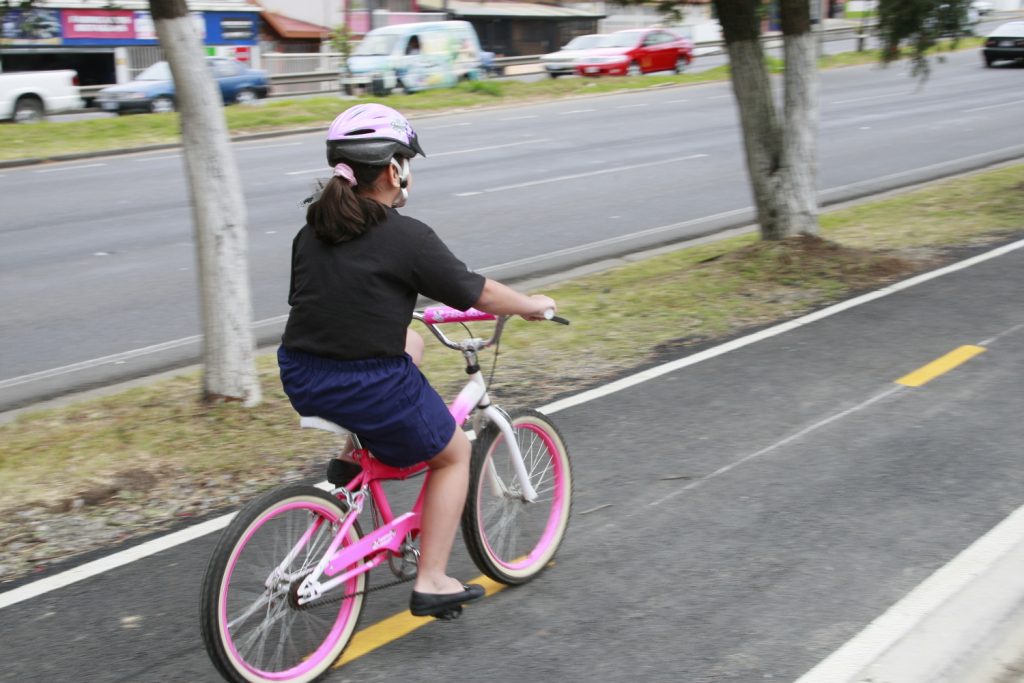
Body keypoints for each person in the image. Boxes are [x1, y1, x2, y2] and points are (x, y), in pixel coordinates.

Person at [277, 103, 556, 618]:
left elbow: (325, 300)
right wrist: (532, 305)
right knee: (452, 455)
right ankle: (432, 580)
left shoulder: (311, 231)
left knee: (411, 342)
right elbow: (481, 293)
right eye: (407, 160)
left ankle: (353, 454)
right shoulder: (407, 237)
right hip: (365, 382)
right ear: (392, 169)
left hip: (301, 371)